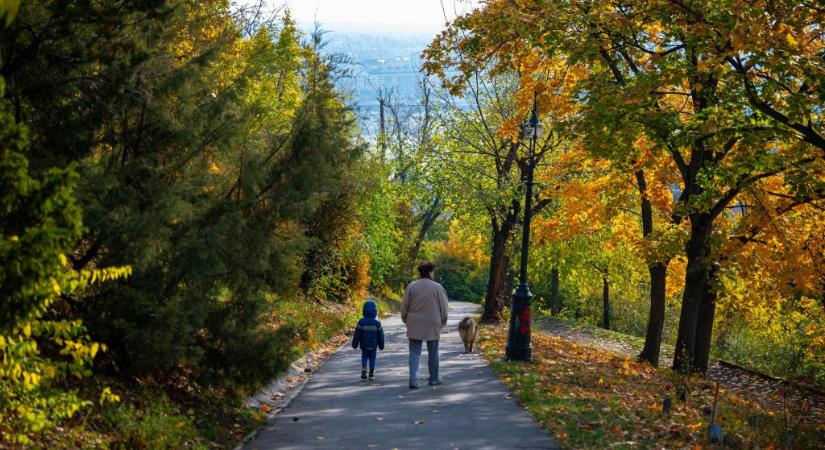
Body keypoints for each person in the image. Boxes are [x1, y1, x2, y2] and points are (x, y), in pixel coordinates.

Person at [401, 261, 449, 388]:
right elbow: (444, 308)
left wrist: (405, 319)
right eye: (433, 271)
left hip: (414, 322)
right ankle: (433, 378)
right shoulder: (438, 287)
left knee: (414, 351)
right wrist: (443, 321)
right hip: (433, 322)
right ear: (430, 272)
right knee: (433, 351)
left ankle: (413, 379)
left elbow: (404, 306)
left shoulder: (411, 286)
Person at [351, 300, 385, 380]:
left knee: (364, 356)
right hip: (373, 345)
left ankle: (364, 368)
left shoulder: (361, 322)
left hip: (364, 344)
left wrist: (355, 344)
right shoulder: (377, 323)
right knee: (372, 358)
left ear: (364, 311)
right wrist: (381, 345)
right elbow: (381, 335)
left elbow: (357, 334)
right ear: (375, 311)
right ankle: (371, 373)